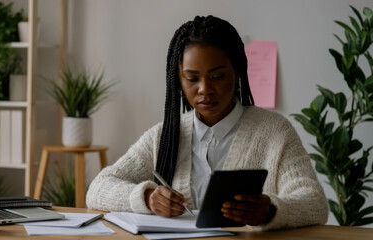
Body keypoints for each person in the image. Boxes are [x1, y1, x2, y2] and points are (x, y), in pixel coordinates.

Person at [86, 15, 328, 231]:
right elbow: (98, 189)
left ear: (237, 73)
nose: (205, 89)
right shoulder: (165, 136)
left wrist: (270, 210)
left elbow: (315, 204)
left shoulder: (275, 131)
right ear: (178, 80)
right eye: (192, 78)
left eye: (218, 76)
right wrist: (148, 197)